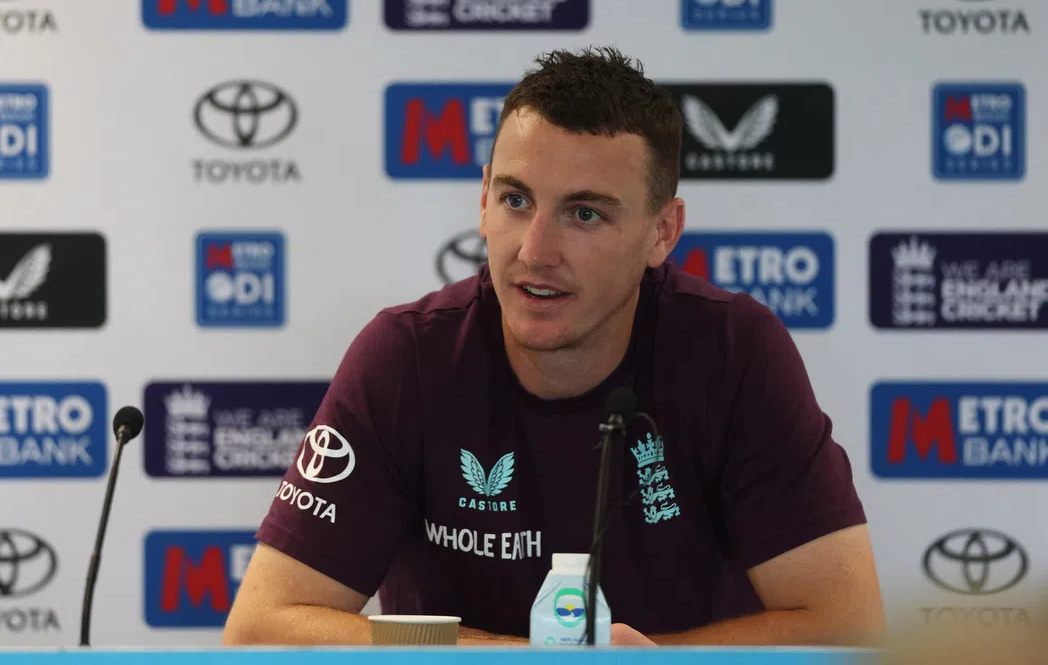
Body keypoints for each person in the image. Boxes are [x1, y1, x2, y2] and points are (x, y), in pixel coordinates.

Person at [222, 47, 885, 647]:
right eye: (515, 200)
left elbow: (848, 627)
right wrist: (514, 663)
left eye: (585, 213)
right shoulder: (406, 359)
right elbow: (262, 628)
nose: (535, 252)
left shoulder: (733, 351)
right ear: (482, 201)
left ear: (662, 233)